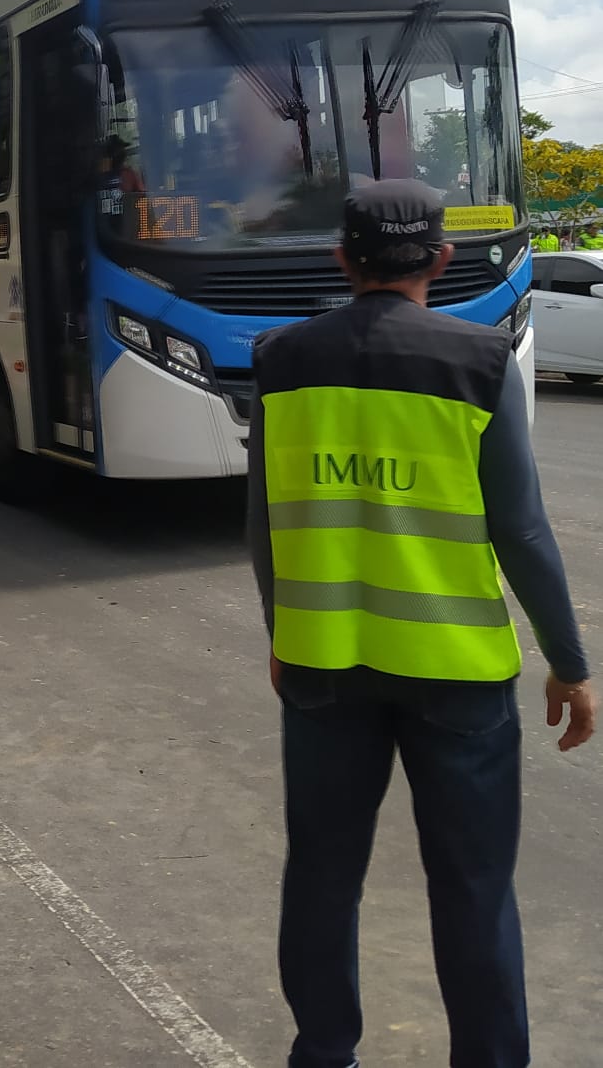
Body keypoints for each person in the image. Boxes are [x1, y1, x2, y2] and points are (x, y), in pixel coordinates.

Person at [248, 180, 595, 1068]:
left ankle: (324, 1054)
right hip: (456, 673)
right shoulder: (479, 361)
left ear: (343, 259)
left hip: (324, 663)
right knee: (474, 888)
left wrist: (282, 633)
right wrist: (569, 663)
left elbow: (263, 523)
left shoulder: (282, 357)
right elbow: (522, 531)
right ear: (440, 259)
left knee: (322, 876)